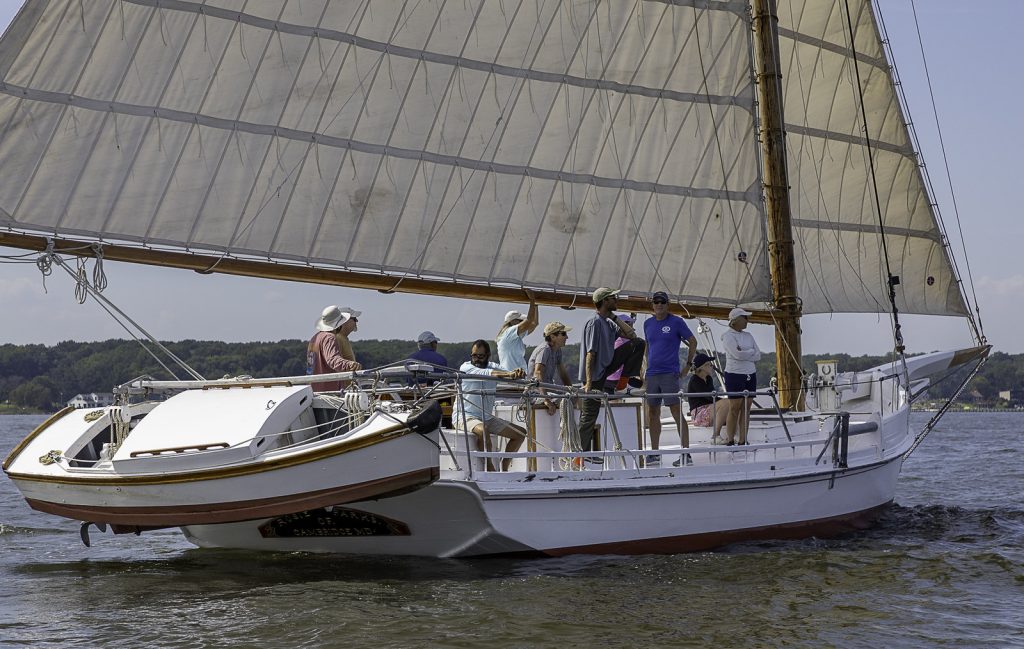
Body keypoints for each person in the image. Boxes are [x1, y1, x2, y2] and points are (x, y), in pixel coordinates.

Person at [577, 287, 646, 460]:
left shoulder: (608, 322)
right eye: (614, 298)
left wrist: (614, 317)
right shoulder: (594, 323)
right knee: (589, 415)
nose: (617, 300)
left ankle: (625, 379)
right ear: (605, 301)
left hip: (606, 367)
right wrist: (589, 382)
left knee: (638, 343)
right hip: (595, 375)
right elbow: (590, 353)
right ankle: (579, 455)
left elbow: (631, 335)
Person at [453, 340, 527, 471]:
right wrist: (508, 374)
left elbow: (508, 373)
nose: (476, 359)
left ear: (488, 355)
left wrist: (518, 372)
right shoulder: (465, 368)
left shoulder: (493, 366)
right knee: (484, 430)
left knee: (520, 433)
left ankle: (504, 467)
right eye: (474, 356)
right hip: (465, 416)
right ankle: (490, 467)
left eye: (481, 356)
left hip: (486, 417)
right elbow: (488, 374)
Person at [643, 290, 698, 465]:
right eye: (656, 301)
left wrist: (688, 365)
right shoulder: (647, 323)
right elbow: (648, 346)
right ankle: (654, 453)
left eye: (662, 302)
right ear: (652, 305)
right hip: (652, 374)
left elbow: (693, 341)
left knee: (675, 411)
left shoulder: (676, 322)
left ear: (668, 304)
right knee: (652, 412)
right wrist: (644, 368)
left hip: (669, 373)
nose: (659, 304)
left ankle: (685, 454)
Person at [721, 307, 762, 445]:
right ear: (736, 320)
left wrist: (745, 352)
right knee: (734, 407)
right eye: (745, 317)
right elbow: (736, 355)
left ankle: (743, 440)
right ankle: (730, 440)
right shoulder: (727, 336)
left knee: (746, 408)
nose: (747, 320)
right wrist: (750, 352)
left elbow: (758, 355)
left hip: (750, 373)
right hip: (734, 374)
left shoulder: (748, 335)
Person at [306, 305, 362, 392]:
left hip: (313, 389)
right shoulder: (329, 337)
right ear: (339, 324)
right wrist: (350, 364)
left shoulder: (315, 338)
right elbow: (332, 360)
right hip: (329, 390)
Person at [528, 321, 573, 416]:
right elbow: (538, 372)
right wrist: (546, 399)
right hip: (536, 393)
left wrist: (572, 391)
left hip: (548, 390)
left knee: (574, 398)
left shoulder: (557, 350)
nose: (567, 337)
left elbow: (563, 373)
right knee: (566, 401)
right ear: (552, 337)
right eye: (563, 334)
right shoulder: (545, 349)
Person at [686, 352, 730, 445]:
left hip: (709, 409)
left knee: (734, 405)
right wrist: (726, 401)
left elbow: (712, 397)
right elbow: (710, 397)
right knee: (727, 402)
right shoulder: (695, 380)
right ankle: (715, 436)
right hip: (698, 414)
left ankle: (733, 436)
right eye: (710, 365)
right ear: (703, 367)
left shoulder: (709, 379)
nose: (712, 367)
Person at [496, 289, 539, 372]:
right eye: (520, 321)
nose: (522, 322)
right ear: (512, 322)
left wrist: (536, 305)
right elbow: (529, 320)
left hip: (517, 375)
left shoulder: (513, 335)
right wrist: (532, 300)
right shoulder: (509, 332)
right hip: (511, 376)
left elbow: (534, 323)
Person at [603, 314, 636, 393]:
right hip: (617, 381)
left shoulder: (613, 340)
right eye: (630, 325)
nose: (632, 328)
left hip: (608, 379)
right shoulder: (626, 343)